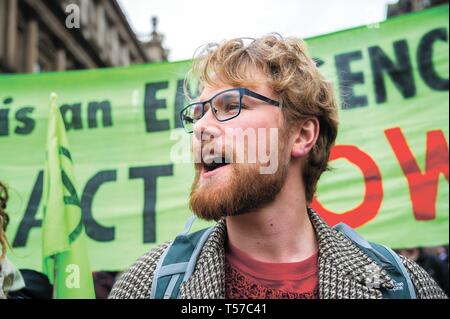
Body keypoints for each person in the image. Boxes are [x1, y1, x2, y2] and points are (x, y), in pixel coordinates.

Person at [109, 34, 447, 299]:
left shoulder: (402, 284)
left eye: (230, 105)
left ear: (302, 135)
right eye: (197, 113)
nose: (201, 128)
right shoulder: (147, 284)